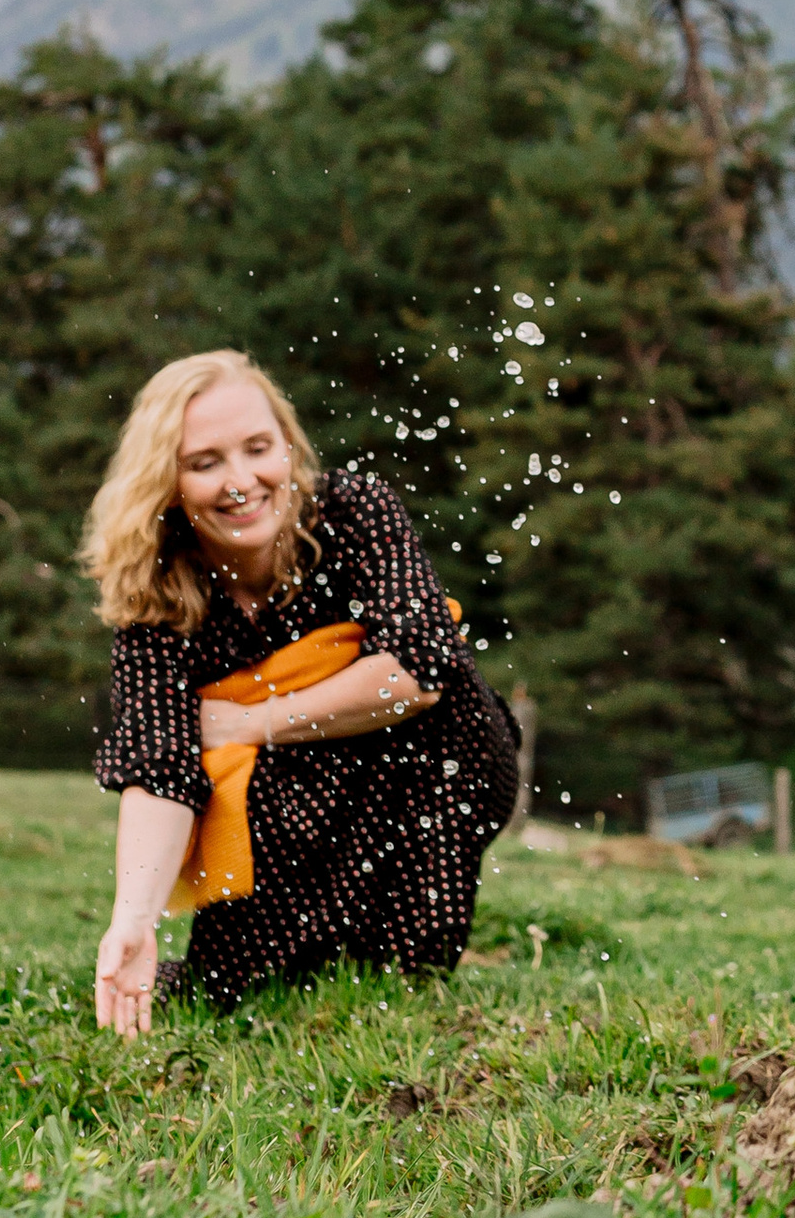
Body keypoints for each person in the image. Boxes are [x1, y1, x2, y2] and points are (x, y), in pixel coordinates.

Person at [86, 348, 519, 1033]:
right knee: (228, 989)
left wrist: (253, 722)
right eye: (205, 463)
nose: (241, 482)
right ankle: (304, 948)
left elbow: (419, 670)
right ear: (165, 480)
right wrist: (132, 921)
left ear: (287, 445)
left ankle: (399, 954)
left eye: (259, 449)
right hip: (292, 794)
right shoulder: (158, 594)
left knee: (397, 978)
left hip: (428, 763)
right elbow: (160, 766)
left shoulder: (354, 511)